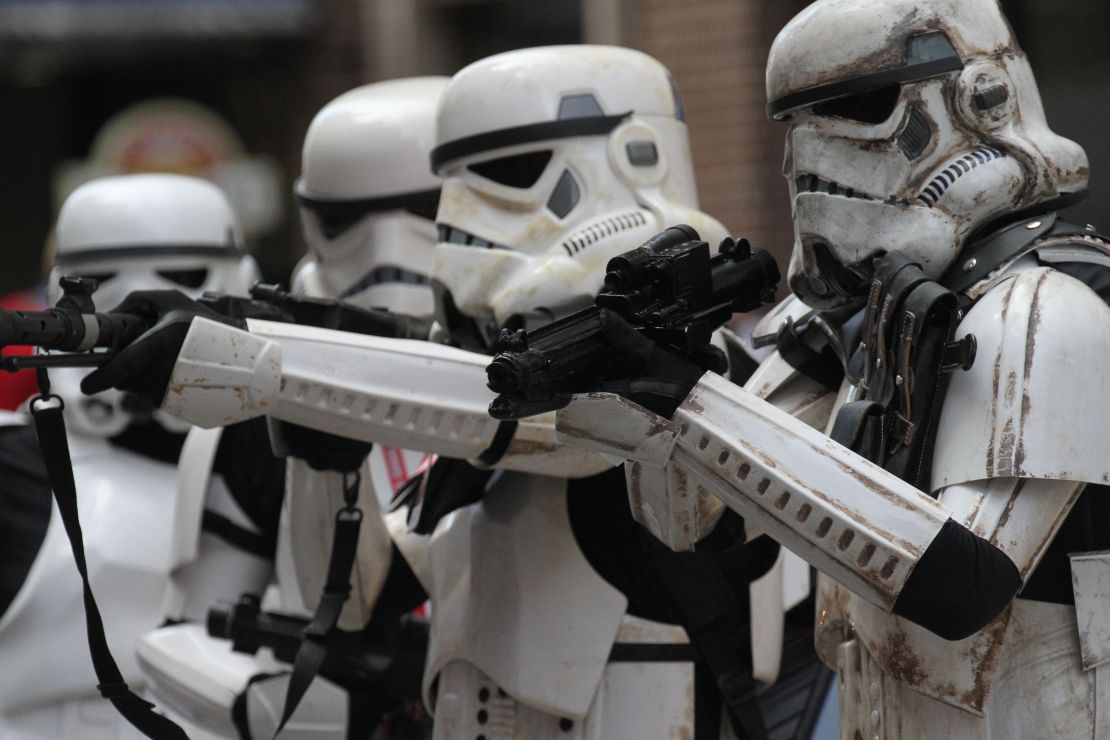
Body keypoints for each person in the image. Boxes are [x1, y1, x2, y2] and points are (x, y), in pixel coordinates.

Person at [74, 45, 801, 738]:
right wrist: (320, 458)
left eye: (507, 171)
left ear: (633, 157)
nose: (456, 221)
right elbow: (353, 603)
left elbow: (552, 428)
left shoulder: (695, 376)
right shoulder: (491, 410)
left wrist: (285, 369)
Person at [540, 0, 1108, 736]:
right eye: (798, 123)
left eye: (853, 109)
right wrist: (667, 395)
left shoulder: (1045, 309)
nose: (813, 153)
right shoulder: (861, 318)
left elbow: (963, 586)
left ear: (980, 98)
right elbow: (697, 525)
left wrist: (699, 406)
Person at [0, 173, 273, 740]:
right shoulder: (16, 470)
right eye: (100, 281)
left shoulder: (287, 460)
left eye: (181, 276)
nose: (138, 306)